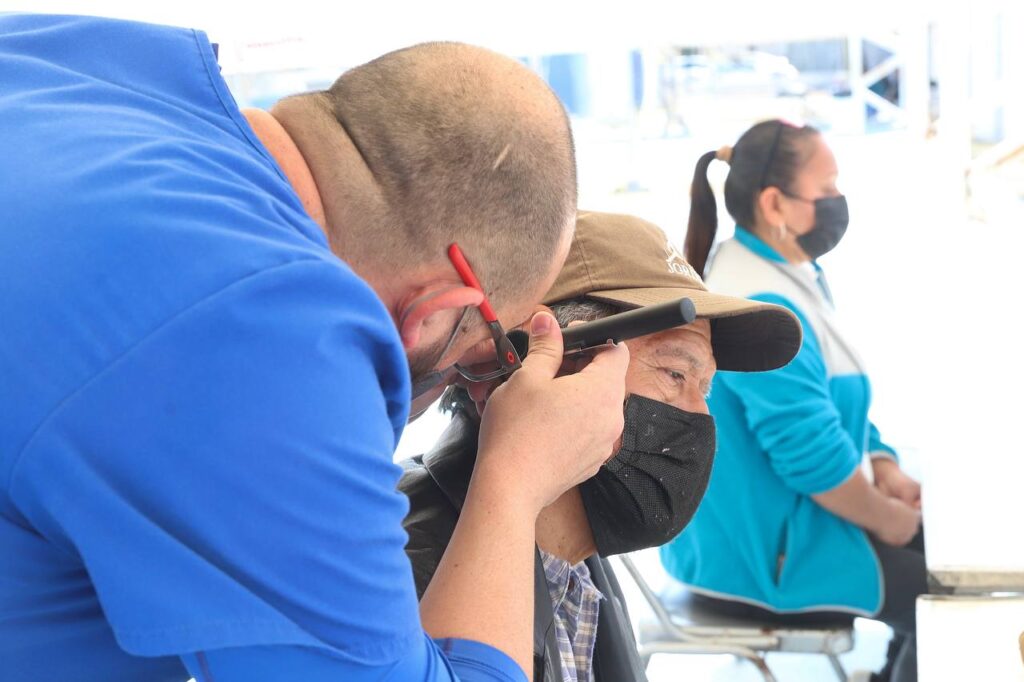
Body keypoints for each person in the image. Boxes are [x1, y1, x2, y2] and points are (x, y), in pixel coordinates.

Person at [0, 14, 633, 682]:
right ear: (438, 310)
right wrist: (514, 478)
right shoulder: (262, 333)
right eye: (484, 349)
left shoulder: (67, 61)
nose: (467, 378)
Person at [400, 211, 802, 681]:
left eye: (705, 387)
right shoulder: (407, 584)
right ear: (541, 364)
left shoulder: (574, 573)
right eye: (675, 374)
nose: (700, 416)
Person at [661, 119, 925, 682]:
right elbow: (811, 461)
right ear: (775, 203)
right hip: (758, 558)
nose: (838, 201)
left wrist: (881, 463)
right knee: (936, 596)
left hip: (783, 525)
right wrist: (890, 520)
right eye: (827, 189)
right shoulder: (761, 306)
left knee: (938, 555)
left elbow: (834, 395)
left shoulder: (785, 271)